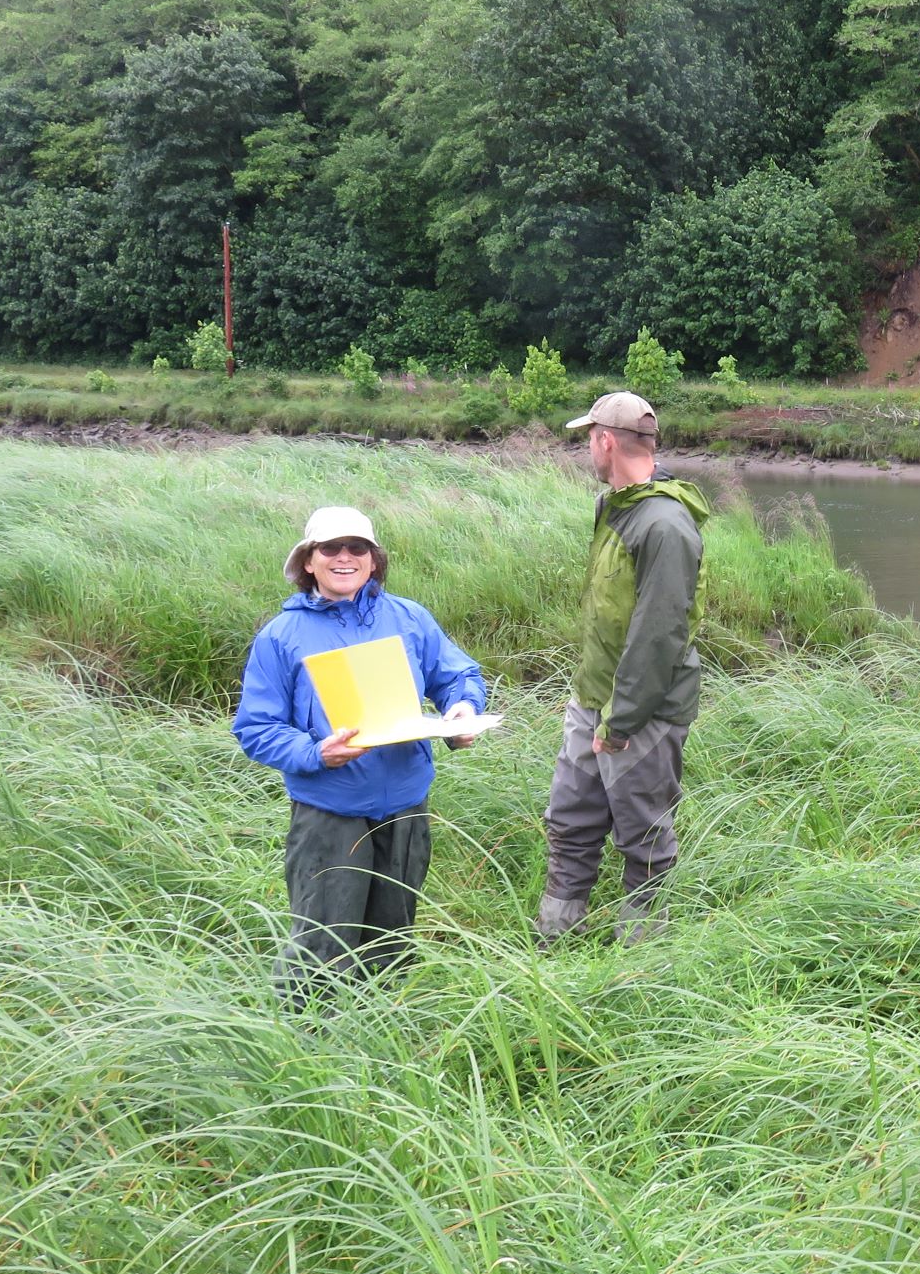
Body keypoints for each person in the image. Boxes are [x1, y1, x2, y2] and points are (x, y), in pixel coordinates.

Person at [233, 505, 485, 1005]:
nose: (344, 557)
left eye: (357, 548)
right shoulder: (280, 637)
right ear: (309, 561)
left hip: (406, 806)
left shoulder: (410, 618)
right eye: (331, 548)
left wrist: (462, 711)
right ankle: (306, 1049)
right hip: (330, 814)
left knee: (393, 940)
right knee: (321, 946)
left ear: (373, 560)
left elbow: (460, 676)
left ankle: (380, 1038)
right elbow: (255, 728)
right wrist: (314, 753)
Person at [536, 391, 710, 947]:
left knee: (645, 841)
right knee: (569, 823)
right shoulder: (614, 504)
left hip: (643, 715)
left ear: (606, 441)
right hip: (591, 701)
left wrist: (622, 721)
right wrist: (595, 712)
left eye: (590, 437)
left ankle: (640, 964)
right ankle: (556, 942)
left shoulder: (664, 525)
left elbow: (659, 633)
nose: (588, 446)